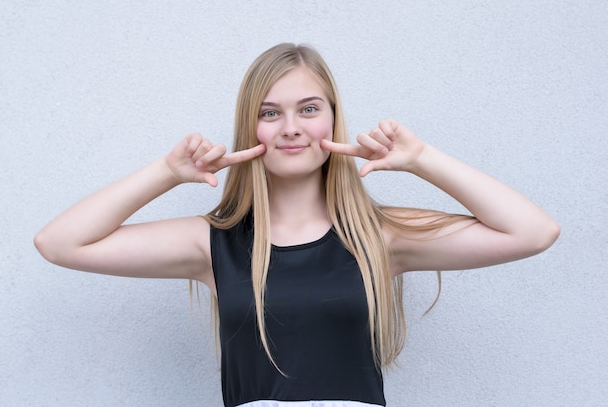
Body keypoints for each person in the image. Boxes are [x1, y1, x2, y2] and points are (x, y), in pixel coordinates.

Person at [34, 43, 560, 407]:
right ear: (250, 126)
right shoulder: (212, 244)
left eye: (308, 108)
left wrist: (422, 158)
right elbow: (58, 243)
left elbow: (533, 232)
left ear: (332, 118)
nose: (290, 128)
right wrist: (166, 174)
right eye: (269, 113)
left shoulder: (379, 235)